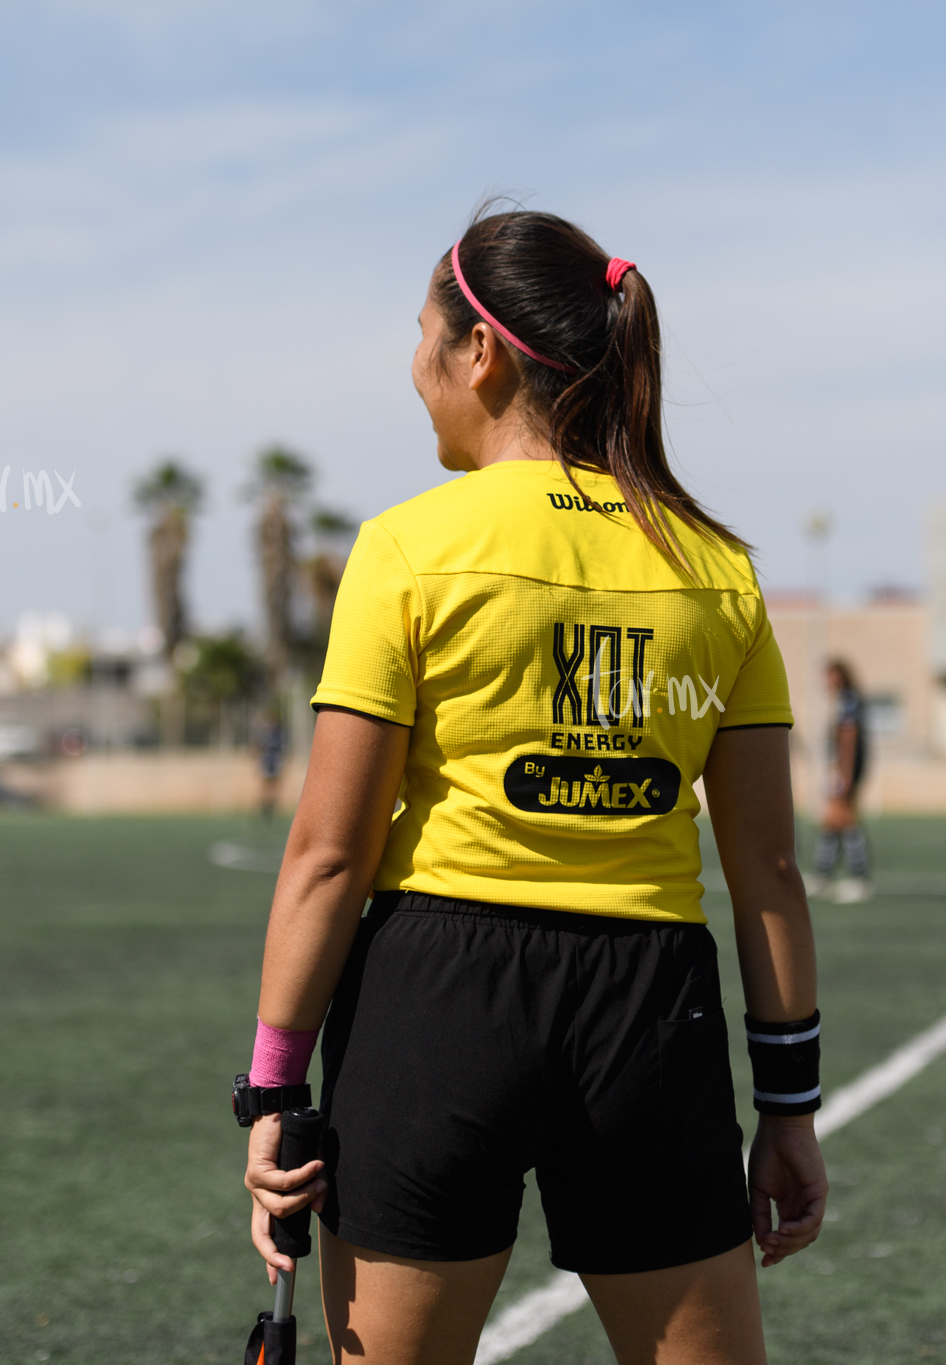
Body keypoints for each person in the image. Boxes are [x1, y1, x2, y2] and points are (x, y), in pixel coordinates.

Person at [236, 210, 827, 1365]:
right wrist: (789, 1109)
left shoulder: (406, 548)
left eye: (421, 338)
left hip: (435, 998)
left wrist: (269, 1094)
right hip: (649, 1013)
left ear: (481, 353)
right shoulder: (717, 569)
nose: (412, 368)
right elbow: (764, 867)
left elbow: (325, 854)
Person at [810, 659, 871, 903]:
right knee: (832, 824)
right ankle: (823, 875)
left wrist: (844, 776)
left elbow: (848, 739)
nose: (825, 682)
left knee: (845, 821)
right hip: (842, 770)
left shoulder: (847, 700)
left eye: (829, 676)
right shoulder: (845, 700)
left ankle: (859, 878)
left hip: (844, 772)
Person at [255, 710, 288, 823]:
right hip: (267, 762)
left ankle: (271, 810)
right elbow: (258, 747)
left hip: (275, 762)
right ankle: (264, 810)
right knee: (265, 787)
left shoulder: (279, 733)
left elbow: (283, 749)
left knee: (274, 787)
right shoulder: (266, 733)